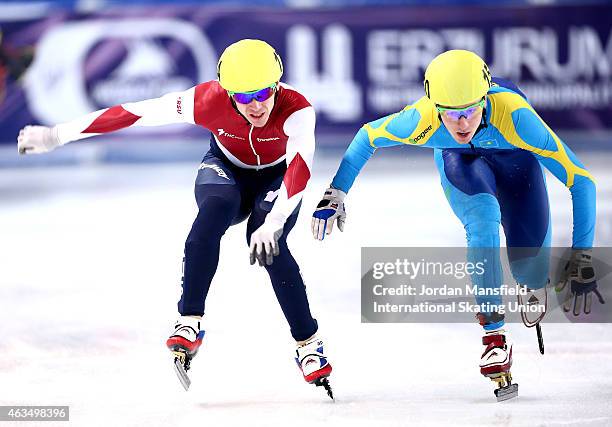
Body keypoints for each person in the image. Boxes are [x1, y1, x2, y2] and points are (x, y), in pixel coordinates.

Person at [17, 39, 332, 395]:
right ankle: (189, 322)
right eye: (243, 97)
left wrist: (274, 222)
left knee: (267, 245)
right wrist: (56, 135)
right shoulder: (206, 100)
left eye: (262, 93)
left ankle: (308, 344)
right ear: (228, 93)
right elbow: (132, 112)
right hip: (226, 168)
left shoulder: (297, 108)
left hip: (278, 177)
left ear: (276, 85)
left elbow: (301, 167)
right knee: (209, 220)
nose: (256, 105)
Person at [311, 49, 600, 399]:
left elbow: (581, 181)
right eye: (451, 115)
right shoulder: (421, 119)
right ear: (435, 107)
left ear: (485, 97)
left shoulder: (517, 117)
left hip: (517, 165)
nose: (462, 124)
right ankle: (493, 338)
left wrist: (583, 256)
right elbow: (366, 138)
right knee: (482, 221)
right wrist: (335, 192)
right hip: (461, 164)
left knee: (530, 272)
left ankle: (531, 282)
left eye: (470, 111)